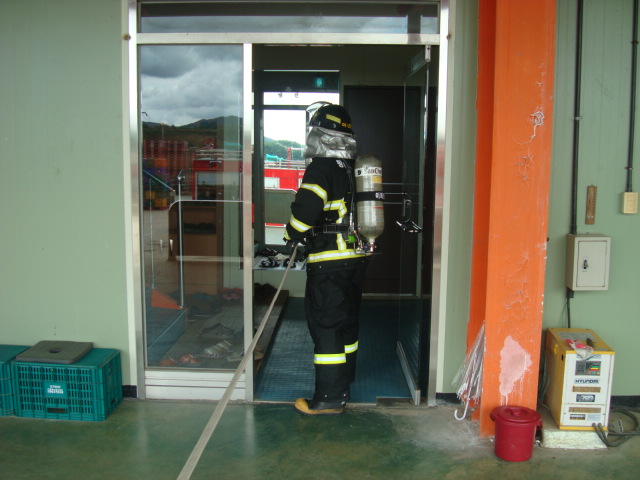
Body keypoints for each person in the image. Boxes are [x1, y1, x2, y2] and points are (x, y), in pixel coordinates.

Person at [284, 103, 368, 415]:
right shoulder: (352, 167)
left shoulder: (322, 168)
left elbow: (305, 212)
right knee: (346, 323)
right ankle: (344, 381)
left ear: (320, 135)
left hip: (329, 261)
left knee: (327, 326)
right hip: (355, 257)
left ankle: (330, 398)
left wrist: (292, 234)